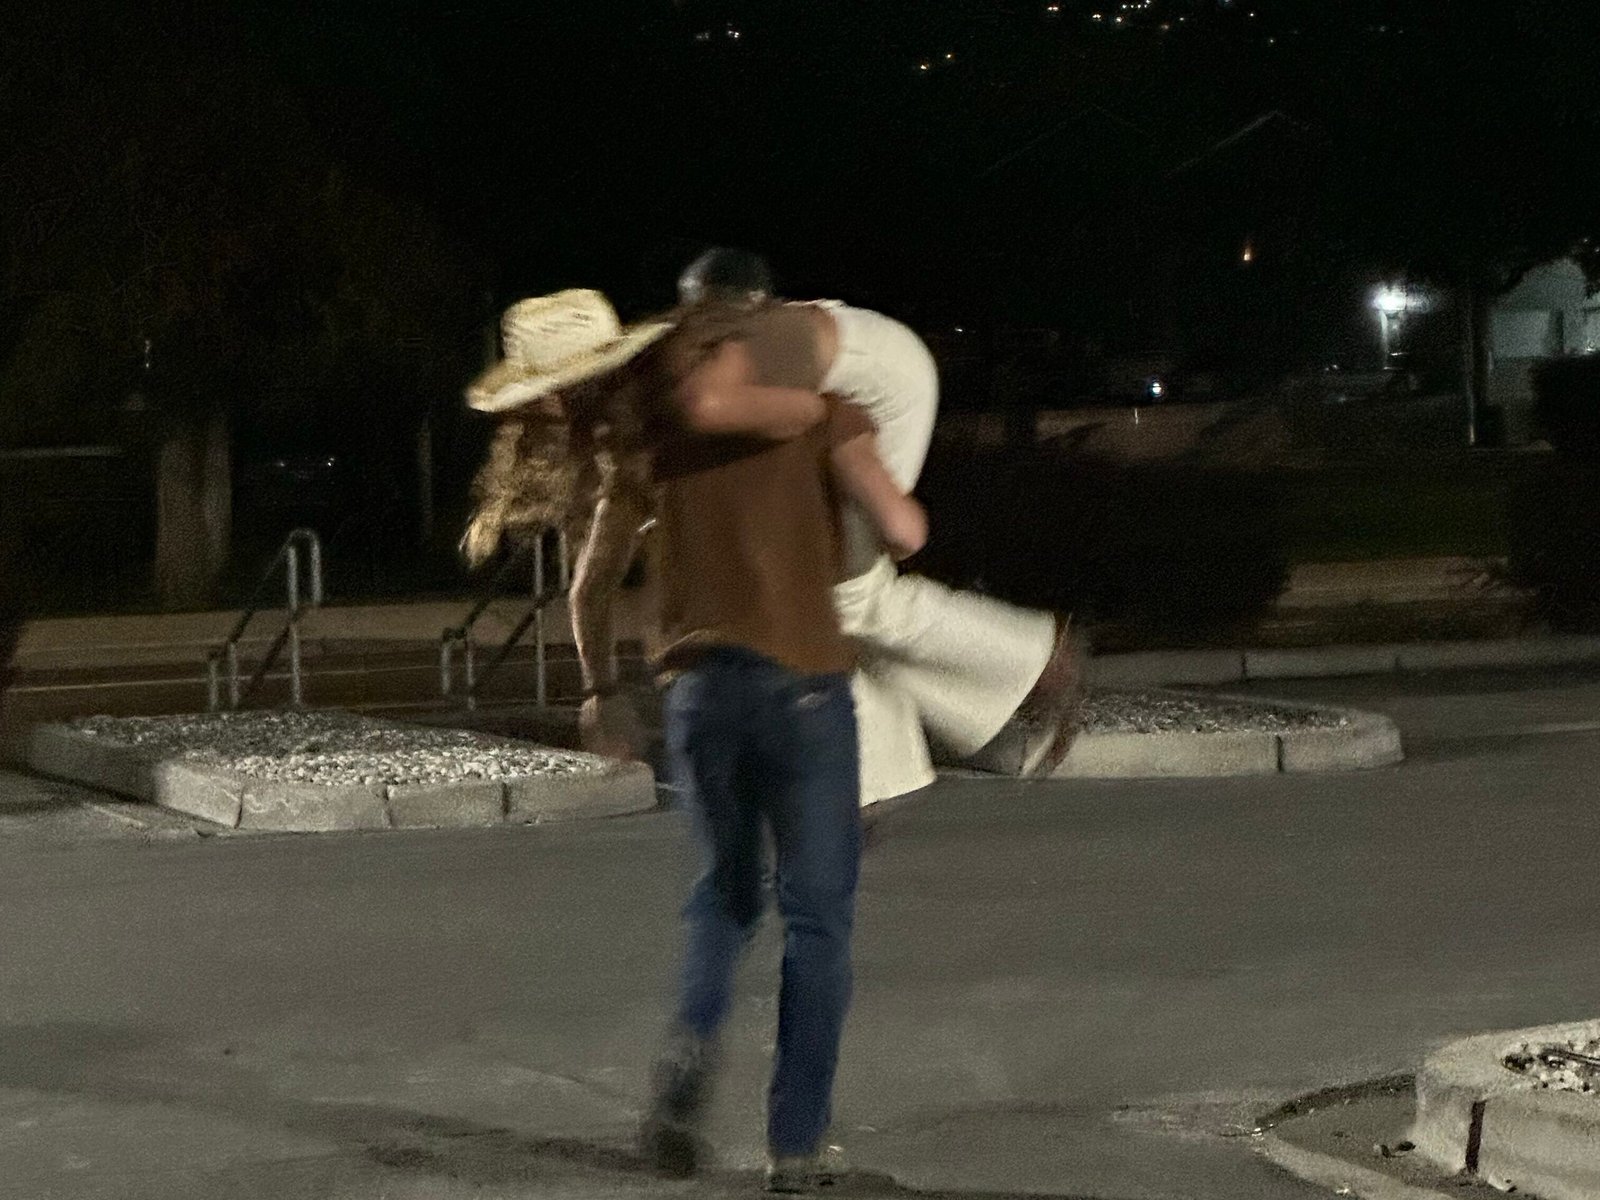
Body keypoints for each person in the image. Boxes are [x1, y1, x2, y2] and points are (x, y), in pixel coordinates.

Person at [463, 288, 925, 1192]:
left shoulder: (641, 455)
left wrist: (600, 693)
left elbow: (590, 588)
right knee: (819, 920)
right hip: (802, 688)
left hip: (698, 697)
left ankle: (686, 1060)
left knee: (723, 897)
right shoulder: (804, 415)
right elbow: (894, 542)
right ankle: (795, 1148)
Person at [560, 250, 1086, 805]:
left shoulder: (724, 362)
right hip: (834, 381)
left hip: (880, 386)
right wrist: (600, 692)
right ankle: (870, 785)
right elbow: (591, 585)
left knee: (846, 594)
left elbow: (715, 404)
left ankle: (1037, 658)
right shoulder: (642, 438)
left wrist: (823, 430)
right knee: (817, 606)